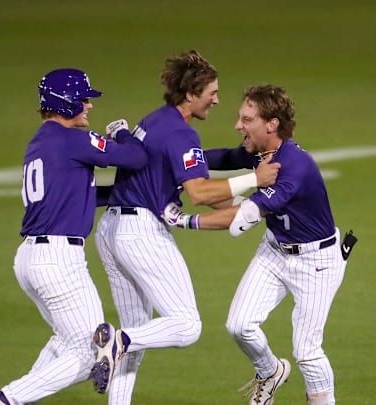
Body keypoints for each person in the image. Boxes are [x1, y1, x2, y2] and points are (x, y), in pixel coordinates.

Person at [88, 50, 281, 405]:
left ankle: (120, 351)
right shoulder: (180, 134)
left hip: (111, 231)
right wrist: (254, 178)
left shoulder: (157, 120)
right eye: (213, 92)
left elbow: (200, 179)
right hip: (141, 234)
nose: (218, 99)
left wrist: (249, 207)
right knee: (186, 326)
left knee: (141, 335)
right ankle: (117, 340)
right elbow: (199, 192)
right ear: (191, 94)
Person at [163, 84, 354, 405]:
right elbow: (221, 157)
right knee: (239, 326)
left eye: (247, 119)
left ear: (272, 124)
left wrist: (184, 220)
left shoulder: (293, 166)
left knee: (307, 351)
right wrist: (176, 159)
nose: (238, 125)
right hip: (275, 248)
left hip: (317, 262)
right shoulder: (260, 154)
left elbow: (245, 213)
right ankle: (270, 371)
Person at [0, 68, 148, 405]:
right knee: (90, 355)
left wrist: (133, 196)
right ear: (65, 102)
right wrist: (124, 134)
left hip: (31, 257)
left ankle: (14, 401)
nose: (89, 105)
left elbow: (76, 194)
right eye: (84, 99)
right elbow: (135, 158)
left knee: (65, 340)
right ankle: (2, 401)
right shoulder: (73, 140)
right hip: (58, 260)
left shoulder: (41, 141)